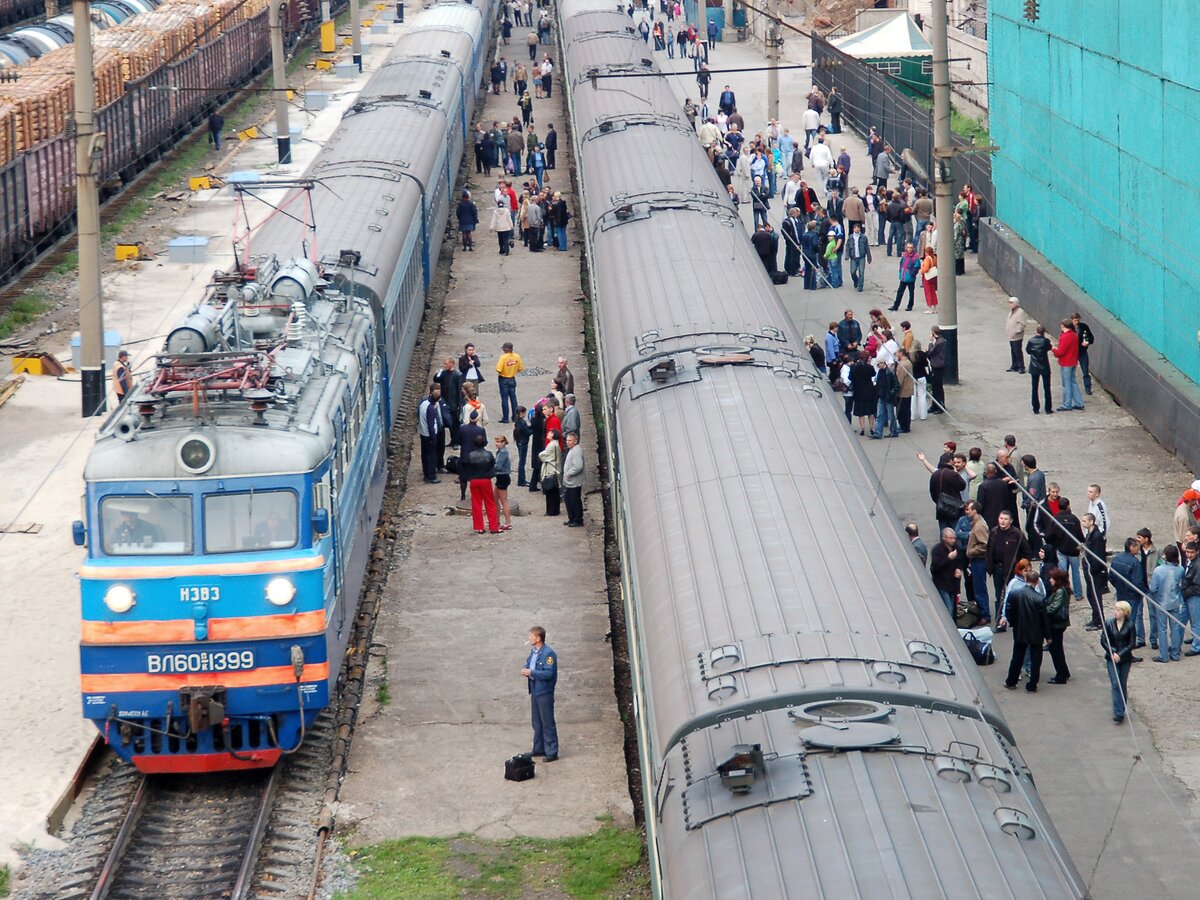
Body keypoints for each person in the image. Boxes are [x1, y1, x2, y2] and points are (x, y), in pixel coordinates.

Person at [1003, 568, 1050, 692]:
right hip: (1036, 632)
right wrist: (1048, 635)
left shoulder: (1015, 594)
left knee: (1017, 656)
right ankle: (1032, 684)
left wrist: (1013, 623)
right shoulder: (1039, 598)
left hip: (1020, 629)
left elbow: (1009, 611)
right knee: (1036, 659)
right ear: (1037, 581)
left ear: (1025, 579)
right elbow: (1044, 619)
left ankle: (1011, 681)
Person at [522, 626, 558, 760]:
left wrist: (532, 673)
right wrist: (526, 669)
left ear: (538, 638)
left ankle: (552, 751)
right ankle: (539, 748)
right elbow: (529, 663)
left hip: (544, 692)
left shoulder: (548, 654)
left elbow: (549, 673)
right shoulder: (534, 652)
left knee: (547, 722)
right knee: (537, 722)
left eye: (531, 636)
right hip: (535, 689)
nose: (529, 638)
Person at [1101, 601, 1136, 723]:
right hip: (1111, 657)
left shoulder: (1130, 625)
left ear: (1125, 612)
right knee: (1115, 684)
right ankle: (1118, 712)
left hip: (1125, 658)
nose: (1115, 612)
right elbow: (1104, 640)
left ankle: (1122, 707)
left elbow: (1132, 643)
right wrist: (1113, 652)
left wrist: (1120, 654)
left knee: (1122, 683)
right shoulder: (1109, 623)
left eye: (1118, 610)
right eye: (1115, 610)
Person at [1149, 544, 1185, 662]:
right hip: (1175, 602)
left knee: (1162, 629)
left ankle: (1164, 655)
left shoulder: (1158, 570)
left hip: (1162, 603)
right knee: (1175, 628)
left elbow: (1153, 588)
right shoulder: (1180, 569)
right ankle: (1175, 653)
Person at [1111, 537, 1148, 650]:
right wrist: (1144, 592)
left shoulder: (1116, 558)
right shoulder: (1135, 562)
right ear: (1132, 547)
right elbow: (1138, 582)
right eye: (1137, 546)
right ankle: (1127, 645)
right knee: (1130, 620)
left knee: (1122, 619)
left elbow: (1111, 577)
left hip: (1121, 594)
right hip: (1132, 596)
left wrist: (1119, 587)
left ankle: (1130, 641)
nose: (1138, 548)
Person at [462, 434, 499, 534]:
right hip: (486, 480)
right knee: (490, 503)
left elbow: (467, 467)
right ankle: (493, 527)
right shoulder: (489, 454)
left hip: (474, 480)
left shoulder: (470, 455)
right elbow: (492, 465)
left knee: (476, 503)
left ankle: (479, 527)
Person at [1042, 567, 1073, 683]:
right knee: (1057, 648)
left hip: (1056, 624)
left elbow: (1053, 608)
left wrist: (1042, 610)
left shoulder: (1060, 591)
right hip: (1058, 623)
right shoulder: (1061, 590)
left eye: (1052, 578)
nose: (1050, 580)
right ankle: (1064, 672)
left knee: (1055, 650)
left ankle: (1061, 676)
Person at [1051, 319, 1084, 411]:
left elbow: (1060, 352)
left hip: (1066, 363)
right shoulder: (1073, 335)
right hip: (1073, 362)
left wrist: (1053, 348)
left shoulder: (1065, 337)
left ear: (1063, 326)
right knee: (1073, 382)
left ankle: (1067, 404)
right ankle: (1079, 403)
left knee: (1066, 384)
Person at [929, 527, 962, 617]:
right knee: (949, 609)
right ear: (944, 538)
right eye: (951, 538)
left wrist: (959, 568)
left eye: (954, 538)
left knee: (953, 609)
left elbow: (960, 561)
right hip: (942, 584)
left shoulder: (956, 548)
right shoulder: (937, 550)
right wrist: (948, 558)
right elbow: (935, 567)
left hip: (953, 584)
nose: (953, 540)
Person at [417, 384, 444, 484]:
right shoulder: (431, 408)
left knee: (424, 455)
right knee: (432, 456)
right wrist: (434, 438)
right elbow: (431, 425)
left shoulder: (423, 403)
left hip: (422, 433)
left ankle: (426, 474)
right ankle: (431, 476)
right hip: (429, 435)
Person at [1024, 325, 1053, 414]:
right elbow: (1050, 347)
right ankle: (1048, 408)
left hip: (1034, 366)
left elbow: (1028, 351)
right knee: (1047, 388)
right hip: (1044, 366)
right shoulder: (1046, 341)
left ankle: (1035, 408)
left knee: (1034, 388)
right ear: (1044, 332)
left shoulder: (1031, 341)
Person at [495, 342, 524, 423]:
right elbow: (520, 368)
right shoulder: (516, 356)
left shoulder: (503, 357)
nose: (503, 349)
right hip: (512, 378)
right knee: (513, 398)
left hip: (503, 379)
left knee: (504, 399)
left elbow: (498, 369)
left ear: (507, 348)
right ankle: (515, 416)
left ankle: (505, 418)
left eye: (504, 348)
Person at [562, 432, 585, 527]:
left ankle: (577, 519)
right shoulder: (573, 450)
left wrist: (568, 473)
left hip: (574, 481)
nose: (567, 442)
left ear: (575, 441)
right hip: (571, 481)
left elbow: (578, 466)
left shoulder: (576, 451)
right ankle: (572, 518)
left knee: (574, 500)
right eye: (567, 440)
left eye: (570, 440)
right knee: (569, 499)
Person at [539, 429, 563, 515]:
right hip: (554, 469)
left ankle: (551, 511)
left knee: (550, 491)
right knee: (554, 491)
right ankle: (555, 510)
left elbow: (543, 455)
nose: (548, 434)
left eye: (550, 433)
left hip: (550, 470)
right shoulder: (555, 444)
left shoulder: (552, 445)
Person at [890, 242, 920, 312]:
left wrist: (912, 274)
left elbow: (917, 267)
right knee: (900, 292)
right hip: (903, 277)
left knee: (911, 293)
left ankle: (910, 306)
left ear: (913, 248)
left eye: (911, 248)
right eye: (908, 247)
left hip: (910, 278)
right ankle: (895, 306)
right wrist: (900, 273)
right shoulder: (904, 255)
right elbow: (901, 264)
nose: (909, 249)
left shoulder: (916, 257)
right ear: (906, 248)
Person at [1071, 312, 1095, 395]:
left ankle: (1087, 388)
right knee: (1071, 371)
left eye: (1078, 320)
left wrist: (1087, 342)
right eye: (1075, 320)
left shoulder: (1084, 327)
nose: (1076, 322)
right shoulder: (1069, 328)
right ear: (1072, 320)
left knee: (1085, 371)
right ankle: (1072, 387)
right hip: (1072, 353)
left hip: (1082, 352)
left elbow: (1091, 338)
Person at [493, 435, 513, 531]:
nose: (497, 444)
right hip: (501, 477)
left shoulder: (503, 452)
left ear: (503, 442)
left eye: (499, 442)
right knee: (495, 499)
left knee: (503, 501)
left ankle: (508, 522)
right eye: (496, 442)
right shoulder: (501, 451)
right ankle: (496, 520)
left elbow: (498, 466)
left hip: (503, 477)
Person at [1004, 297, 1027, 373]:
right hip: (1011, 336)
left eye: (1011, 303)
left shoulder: (1020, 312)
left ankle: (1021, 367)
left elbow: (1022, 324)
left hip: (1016, 336)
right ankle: (1014, 366)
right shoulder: (1012, 311)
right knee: (1013, 351)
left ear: (1015, 303)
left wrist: (1016, 331)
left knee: (1017, 351)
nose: (1010, 304)